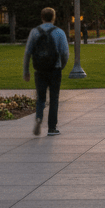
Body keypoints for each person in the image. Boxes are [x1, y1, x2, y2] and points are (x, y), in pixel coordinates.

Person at [22, 7, 70, 136]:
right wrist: (62, 65)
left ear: (42, 17)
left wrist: (26, 71)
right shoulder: (59, 32)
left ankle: (38, 118)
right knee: (54, 98)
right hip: (55, 69)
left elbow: (28, 53)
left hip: (40, 70)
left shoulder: (34, 32)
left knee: (40, 98)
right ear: (53, 17)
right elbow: (65, 53)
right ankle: (52, 128)